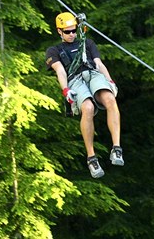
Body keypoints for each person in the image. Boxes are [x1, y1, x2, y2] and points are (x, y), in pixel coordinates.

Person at [45, 12, 124, 178]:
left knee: (110, 99)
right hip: (75, 80)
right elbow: (60, 71)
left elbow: (98, 63)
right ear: (59, 31)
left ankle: (116, 148)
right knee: (87, 108)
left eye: (73, 30)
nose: (72, 34)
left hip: (92, 73)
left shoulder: (86, 43)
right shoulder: (54, 50)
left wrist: (110, 81)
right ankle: (91, 158)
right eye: (67, 32)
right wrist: (65, 90)